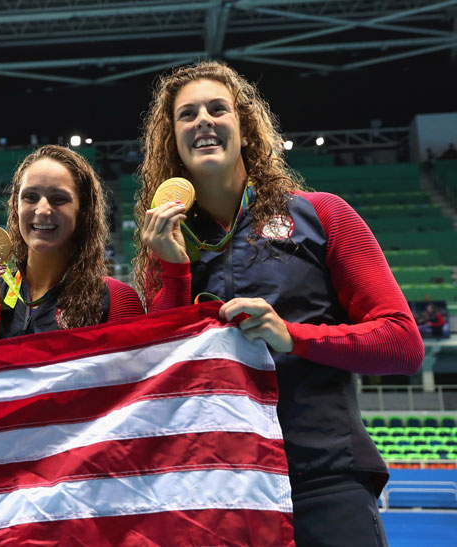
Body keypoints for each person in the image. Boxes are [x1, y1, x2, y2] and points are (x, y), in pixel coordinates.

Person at [134, 60, 423, 545]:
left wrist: (294, 336)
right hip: (220, 489)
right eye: (187, 115)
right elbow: (163, 377)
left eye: (217, 108)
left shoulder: (322, 215)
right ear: (174, 143)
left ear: (244, 129)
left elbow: (402, 343)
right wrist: (174, 270)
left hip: (323, 478)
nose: (202, 119)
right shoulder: (163, 244)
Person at [0, 145, 144, 346]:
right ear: (16, 206)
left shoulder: (117, 300)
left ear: (83, 210)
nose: (42, 210)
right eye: (30, 197)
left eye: (58, 199)